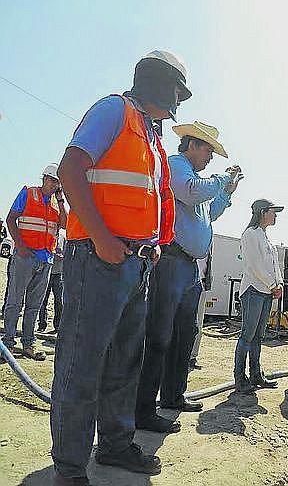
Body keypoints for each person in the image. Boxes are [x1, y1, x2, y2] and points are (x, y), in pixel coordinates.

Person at [51, 49, 188, 484]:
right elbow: (72, 168)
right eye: (176, 94)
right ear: (158, 84)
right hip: (97, 257)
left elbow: (144, 197)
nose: (178, 105)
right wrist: (103, 239)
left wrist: (148, 247)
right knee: (81, 362)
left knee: (124, 362)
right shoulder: (114, 110)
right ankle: (70, 466)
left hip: (132, 262)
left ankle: (113, 445)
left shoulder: (150, 134)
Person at [135, 121, 241, 433]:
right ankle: (144, 408)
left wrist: (227, 192)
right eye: (208, 149)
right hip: (171, 261)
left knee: (183, 334)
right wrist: (222, 180)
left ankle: (171, 396)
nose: (210, 157)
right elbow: (192, 194)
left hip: (188, 267)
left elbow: (209, 212)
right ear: (192, 145)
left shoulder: (194, 176)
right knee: (159, 336)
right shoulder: (177, 166)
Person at [3, 164, 66, 361]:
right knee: (15, 301)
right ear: (44, 179)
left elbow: (65, 224)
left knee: (34, 305)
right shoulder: (28, 193)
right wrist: (20, 246)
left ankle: (28, 343)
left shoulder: (57, 204)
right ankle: (7, 344)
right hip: (25, 257)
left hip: (45, 260)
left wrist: (61, 200)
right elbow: (10, 218)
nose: (54, 184)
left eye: (57, 182)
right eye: (51, 180)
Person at [235, 199, 284, 393]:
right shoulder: (250, 235)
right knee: (247, 335)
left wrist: (278, 283)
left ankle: (256, 375)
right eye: (273, 211)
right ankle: (240, 377)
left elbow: (274, 265)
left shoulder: (265, 237)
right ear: (262, 212)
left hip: (265, 292)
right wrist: (273, 285)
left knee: (258, 336)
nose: (275, 215)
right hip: (254, 290)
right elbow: (255, 265)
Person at [38, 229, 66, 333]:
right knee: (42, 300)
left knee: (59, 301)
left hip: (58, 273)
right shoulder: (45, 234)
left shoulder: (63, 238)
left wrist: (61, 256)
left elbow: (67, 254)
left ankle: (57, 326)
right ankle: (41, 325)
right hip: (45, 271)